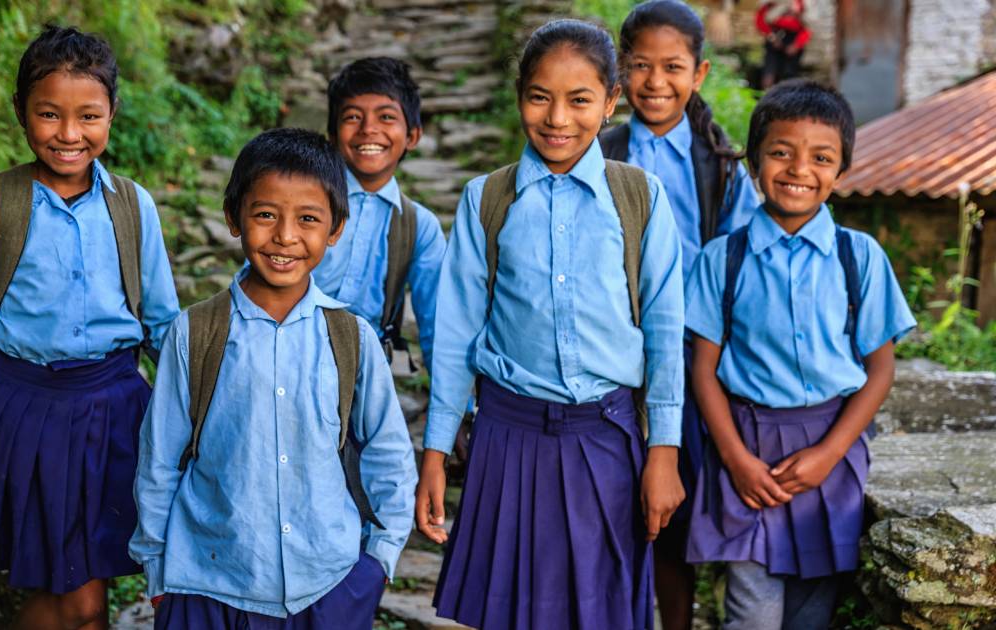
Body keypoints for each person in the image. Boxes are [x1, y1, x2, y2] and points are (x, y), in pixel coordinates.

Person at [416, 18, 687, 630]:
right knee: (509, 611)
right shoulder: (487, 200)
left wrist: (663, 451)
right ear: (519, 98)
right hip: (507, 439)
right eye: (540, 97)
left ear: (612, 100)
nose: (557, 118)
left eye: (580, 99)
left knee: (601, 611)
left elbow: (667, 334)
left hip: (608, 437)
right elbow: (457, 335)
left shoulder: (639, 198)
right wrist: (436, 449)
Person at [0, 25, 180, 629]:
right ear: (22, 112)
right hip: (28, 412)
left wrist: (198, 415)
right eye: (49, 114)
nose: (69, 135)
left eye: (88, 116)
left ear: (112, 115)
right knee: (80, 597)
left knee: (82, 591)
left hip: (118, 411)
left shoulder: (133, 206)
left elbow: (164, 326)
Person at [129, 128, 416, 630]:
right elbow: (159, 460)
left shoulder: (352, 338)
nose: (285, 236)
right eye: (265, 215)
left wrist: (379, 560)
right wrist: (157, 569)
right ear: (233, 217)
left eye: (308, 219)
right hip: (210, 584)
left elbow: (389, 454)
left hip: (326, 584)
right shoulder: (195, 333)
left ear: (335, 228)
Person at [684, 79, 916, 630]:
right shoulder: (724, 259)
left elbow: (879, 370)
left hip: (828, 455)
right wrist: (737, 460)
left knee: (812, 615)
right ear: (753, 162)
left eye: (821, 158)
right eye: (781, 153)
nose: (798, 169)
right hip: (747, 453)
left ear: (840, 172)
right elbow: (704, 370)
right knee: (753, 615)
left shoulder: (859, 257)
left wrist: (830, 454)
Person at [599, 2, 759, 627]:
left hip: (695, 358)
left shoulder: (720, 164)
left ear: (700, 72)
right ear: (619, 71)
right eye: (640, 66)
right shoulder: (597, 149)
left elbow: (739, 263)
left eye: (672, 67)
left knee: (678, 504)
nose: (655, 81)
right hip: (613, 352)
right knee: (617, 499)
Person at [317, 57, 446, 375]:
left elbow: (437, 326)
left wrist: (455, 412)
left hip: (366, 375)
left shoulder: (419, 227)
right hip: (284, 362)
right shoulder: (304, 202)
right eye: (352, 117)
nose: (368, 129)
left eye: (386, 117)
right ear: (332, 135)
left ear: (413, 136)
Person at [756, 1, 809, 88]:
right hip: (774, 39)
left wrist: (796, 45)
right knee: (769, 72)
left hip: (792, 41)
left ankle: (786, 97)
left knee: (790, 73)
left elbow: (806, 28)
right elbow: (760, 22)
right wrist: (772, 37)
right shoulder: (769, 5)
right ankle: (767, 95)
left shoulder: (797, 4)